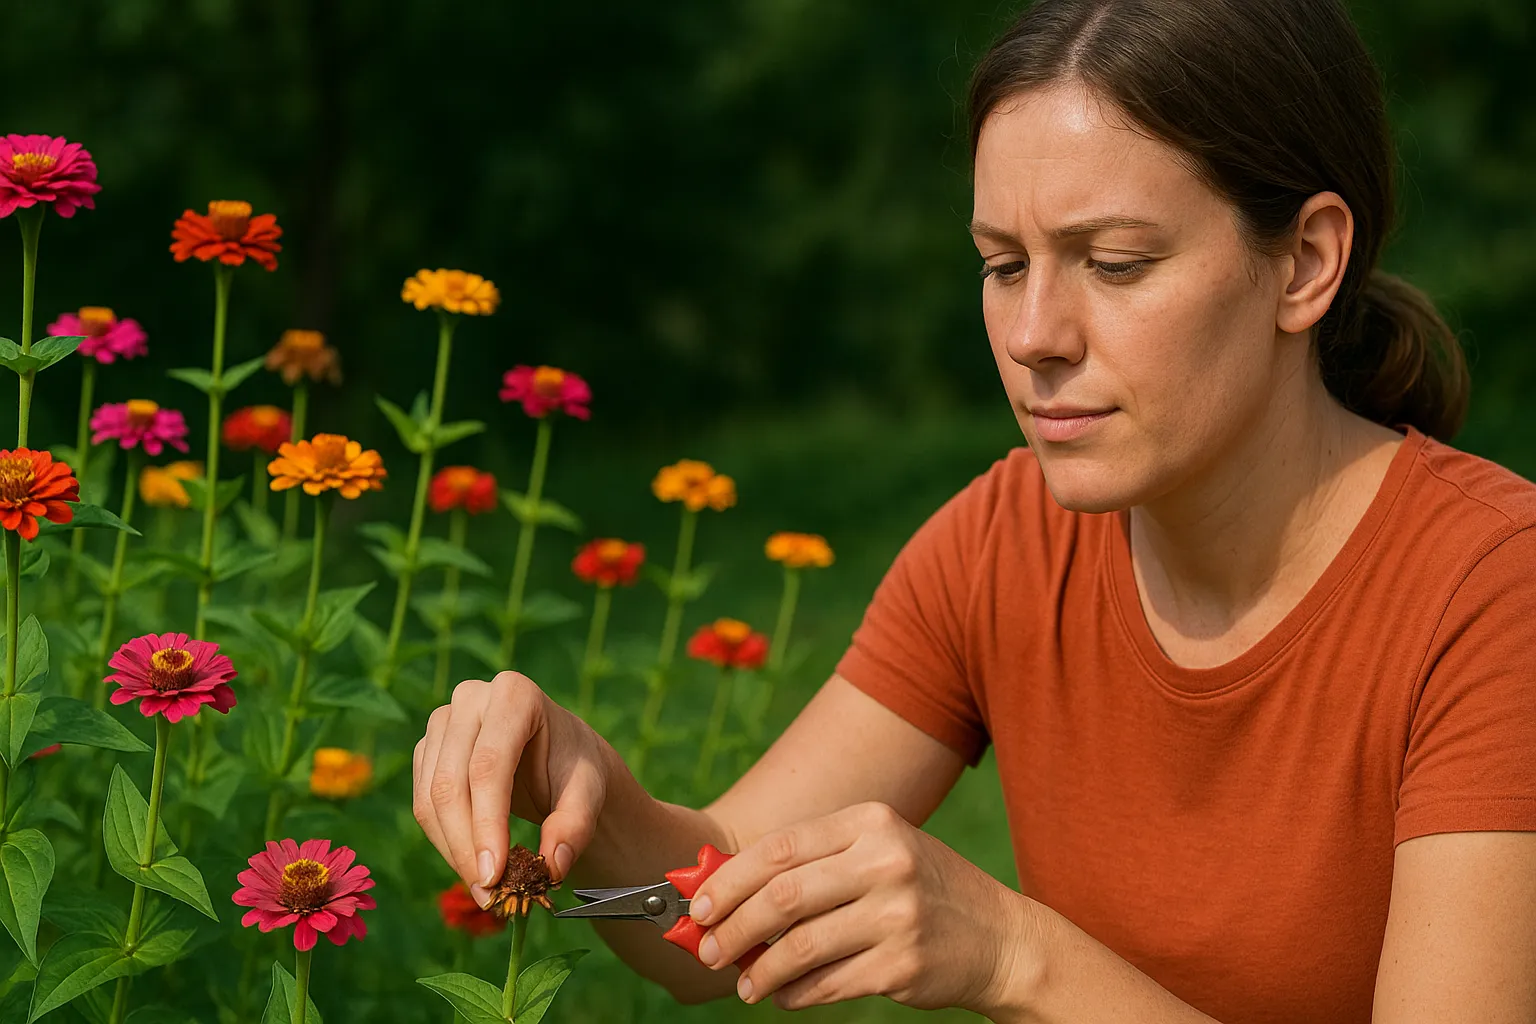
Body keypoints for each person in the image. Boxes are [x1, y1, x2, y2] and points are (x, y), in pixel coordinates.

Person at [412, 0, 1536, 1019]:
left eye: (1115, 261)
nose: (1035, 334)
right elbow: (709, 916)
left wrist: (1014, 955)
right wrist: (588, 789)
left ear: (1305, 262)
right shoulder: (1007, 541)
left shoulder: (1492, 593)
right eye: (1004, 265)